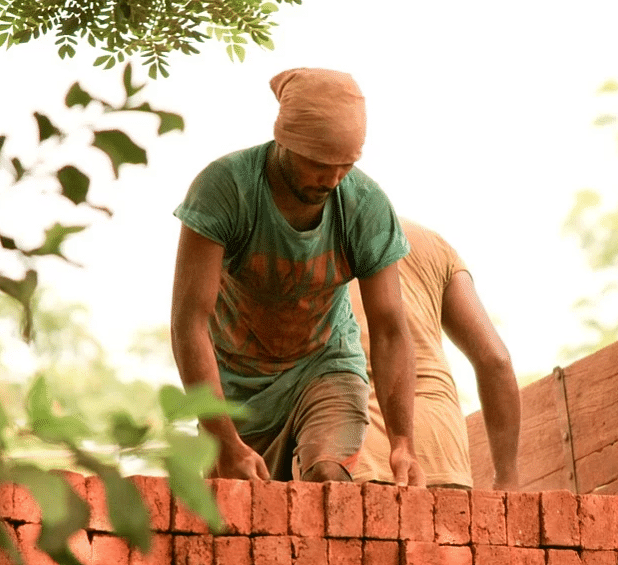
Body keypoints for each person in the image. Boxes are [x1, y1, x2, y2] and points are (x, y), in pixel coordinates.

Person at [170, 68, 424, 486]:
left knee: (328, 474)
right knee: (240, 506)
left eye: (345, 165)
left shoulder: (364, 205)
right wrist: (225, 440)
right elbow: (189, 321)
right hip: (237, 382)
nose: (332, 179)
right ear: (284, 141)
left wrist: (402, 442)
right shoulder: (225, 189)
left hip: (326, 364)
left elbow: (391, 329)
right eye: (319, 164)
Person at [349, 218, 520, 489]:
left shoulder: (324, 235)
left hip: (360, 445)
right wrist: (507, 479)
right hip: (442, 452)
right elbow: (496, 360)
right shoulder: (434, 245)